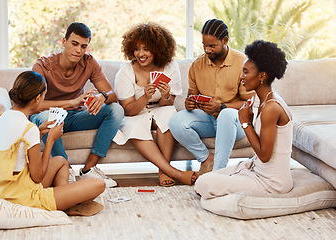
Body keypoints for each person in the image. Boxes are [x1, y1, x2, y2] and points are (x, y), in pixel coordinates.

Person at [0, 71, 105, 216]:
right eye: (44, 96)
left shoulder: (1, 117)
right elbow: (37, 177)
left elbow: (15, 146)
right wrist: (50, 140)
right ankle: (63, 206)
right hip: (24, 197)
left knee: (61, 161)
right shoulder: (28, 129)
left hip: (4, 189)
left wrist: (39, 131)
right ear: (37, 98)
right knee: (99, 184)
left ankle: (64, 202)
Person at [195, 40, 293, 199]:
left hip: (271, 183)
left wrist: (246, 123)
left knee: (203, 184)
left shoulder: (271, 107)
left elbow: (265, 155)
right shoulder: (266, 101)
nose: (241, 76)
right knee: (205, 179)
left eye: (246, 72)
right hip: (258, 169)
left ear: (262, 76)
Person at [30, 22, 124, 188]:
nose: (78, 50)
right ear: (63, 41)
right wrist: (71, 102)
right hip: (49, 117)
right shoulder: (43, 66)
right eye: (74, 44)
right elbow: (33, 106)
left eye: (83, 46)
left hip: (75, 117)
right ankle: (64, 170)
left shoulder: (89, 63)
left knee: (115, 110)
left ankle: (89, 169)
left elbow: (112, 95)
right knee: (46, 117)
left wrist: (102, 96)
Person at [113, 22, 198, 186]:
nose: (140, 54)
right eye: (136, 49)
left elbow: (168, 104)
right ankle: (173, 172)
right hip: (135, 113)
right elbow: (128, 111)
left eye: (146, 49)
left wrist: (166, 95)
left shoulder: (170, 66)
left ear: (158, 49)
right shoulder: (126, 70)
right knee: (133, 125)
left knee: (169, 114)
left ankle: (163, 171)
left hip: (160, 109)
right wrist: (145, 96)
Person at [169, 19, 255, 175]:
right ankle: (207, 159)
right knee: (175, 121)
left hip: (234, 122)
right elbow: (192, 96)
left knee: (226, 114)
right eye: (204, 45)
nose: (207, 50)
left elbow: (248, 103)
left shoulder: (242, 63)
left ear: (225, 41)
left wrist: (222, 107)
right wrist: (190, 103)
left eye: (212, 46)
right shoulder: (197, 65)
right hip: (208, 120)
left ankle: (218, 172)